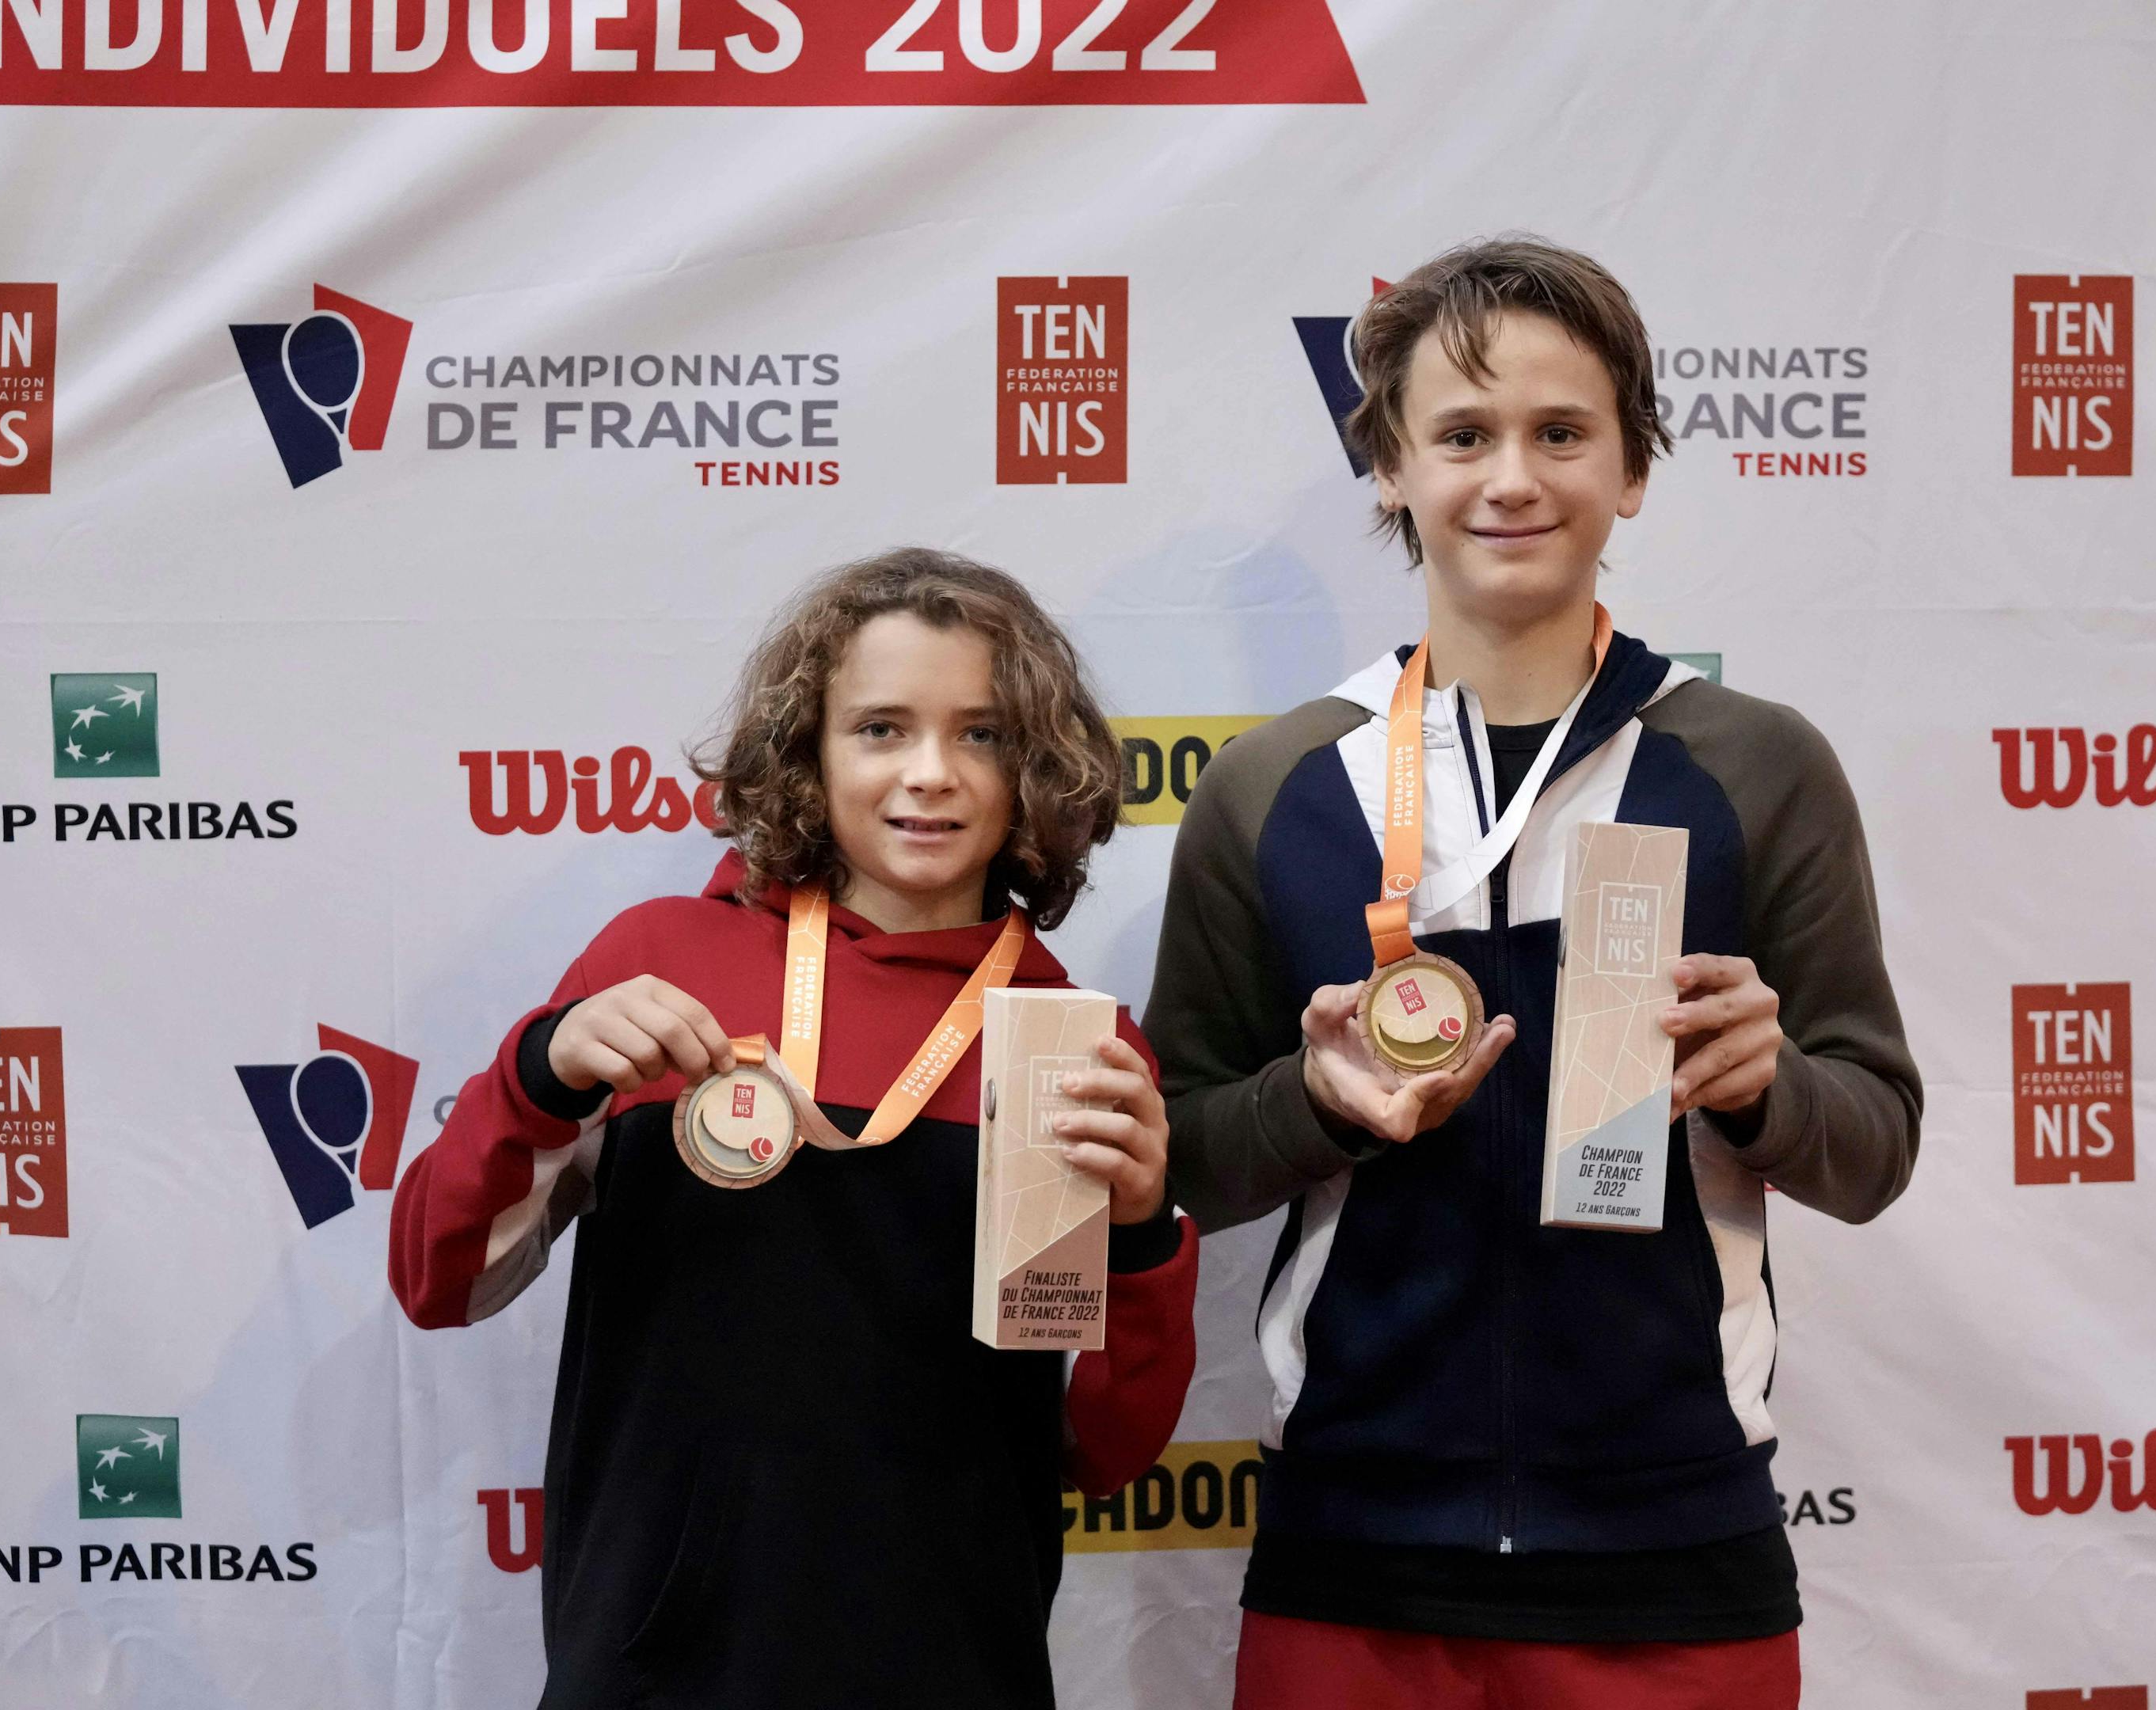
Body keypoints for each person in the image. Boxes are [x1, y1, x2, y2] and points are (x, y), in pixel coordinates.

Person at [1147, 238, 1919, 1710]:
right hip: (1355, 1559)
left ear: (1634, 470)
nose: (1512, 478)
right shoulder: (1278, 786)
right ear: (1390, 469)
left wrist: (1769, 1089)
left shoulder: (1757, 765)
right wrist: (1315, 1102)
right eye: (1463, 435)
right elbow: (1186, 1153)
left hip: (1676, 1559)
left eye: (1562, 433)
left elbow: (1875, 1145)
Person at [390, 548, 1198, 1710]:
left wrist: (1140, 1234)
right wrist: (538, 1075)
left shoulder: (1067, 1038)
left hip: (952, 1663)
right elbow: (439, 1277)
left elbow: (1102, 1451)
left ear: (1037, 768)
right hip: (654, 1661)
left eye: (982, 734)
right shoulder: (660, 960)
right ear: (809, 753)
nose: (932, 774)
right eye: (880, 728)